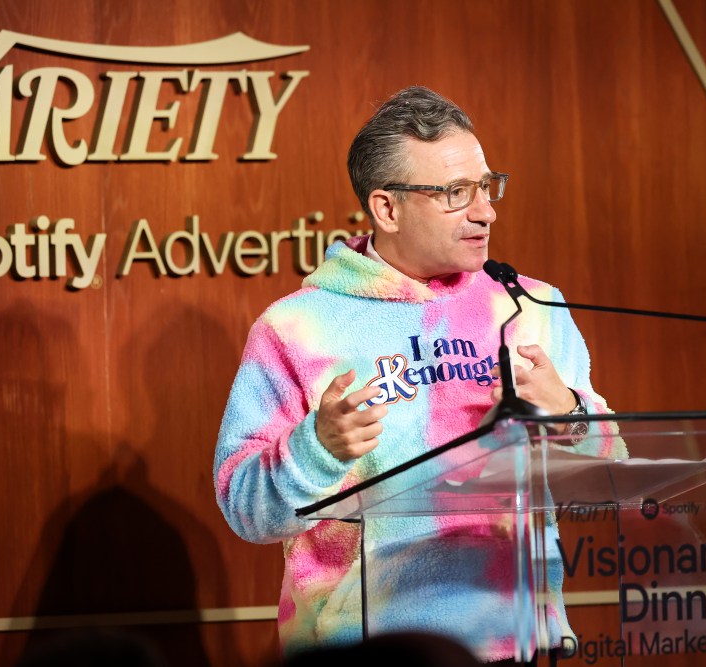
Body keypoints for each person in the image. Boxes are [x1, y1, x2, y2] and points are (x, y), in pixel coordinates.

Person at [213, 87, 624, 662]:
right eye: (457, 193)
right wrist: (316, 449)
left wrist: (571, 417)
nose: (486, 210)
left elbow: (608, 479)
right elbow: (244, 509)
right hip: (368, 650)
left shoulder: (530, 308)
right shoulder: (297, 326)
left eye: (486, 185)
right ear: (387, 208)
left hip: (520, 641)